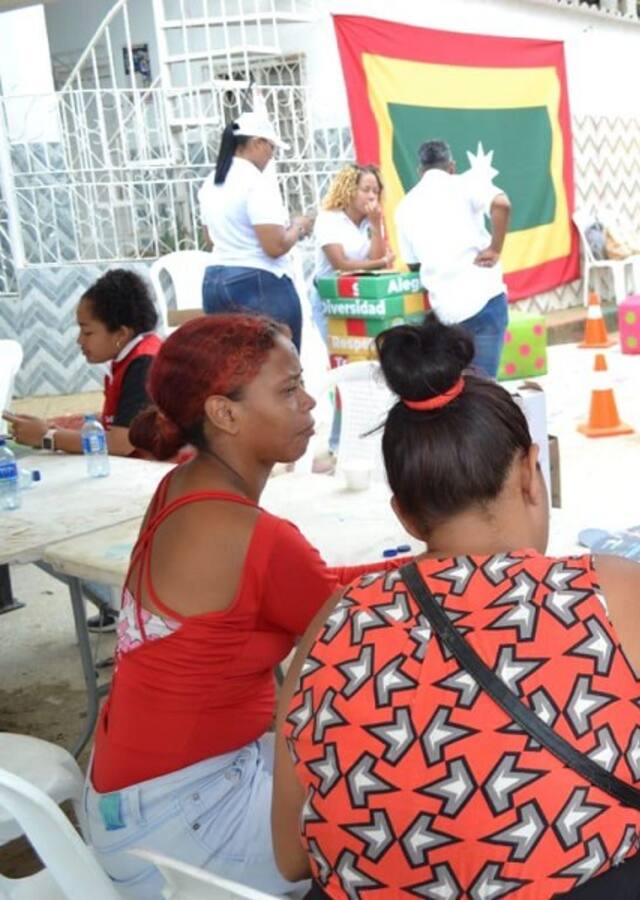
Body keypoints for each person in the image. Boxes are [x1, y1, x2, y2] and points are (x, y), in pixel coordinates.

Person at [270, 316, 640, 900]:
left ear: (404, 513)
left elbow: (293, 854)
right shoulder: (611, 594)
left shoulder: (335, 621)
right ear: (531, 472)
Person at [80, 314, 401, 898]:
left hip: (121, 805)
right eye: (287, 390)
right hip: (180, 829)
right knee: (407, 813)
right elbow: (358, 619)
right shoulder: (253, 534)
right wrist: (443, 562)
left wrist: (415, 565)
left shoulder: (181, 489)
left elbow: (324, 588)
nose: (308, 402)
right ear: (224, 414)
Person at [3, 268, 164, 632]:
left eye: (87, 331)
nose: (80, 340)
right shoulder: (129, 357)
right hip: (132, 475)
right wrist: (53, 431)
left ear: (120, 332)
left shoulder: (144, 361)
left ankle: (116, 605)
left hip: (150, 481)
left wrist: (48, 437)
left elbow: (122, 442)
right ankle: (112, 605)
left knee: (53, 520)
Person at [392, 139, 513, 378]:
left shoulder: (405, 207)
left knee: (457, 390)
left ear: (420, 171)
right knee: (484, 388)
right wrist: (495, 249)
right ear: (451, 166)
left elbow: (413, 263)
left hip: (446, 311)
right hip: (484, 299)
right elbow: (502, 203)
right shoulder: (466, 184)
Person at [199, 109, 313, 351]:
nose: (271, 156)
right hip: (258, 283)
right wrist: (298, 226)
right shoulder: (255, 182)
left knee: (231, 371)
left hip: (214, 282)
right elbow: (275, 246)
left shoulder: (211, 181)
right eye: (271, 147)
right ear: (257, 142)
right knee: (279, 368)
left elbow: (209, 238)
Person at [310, 164, 395, 342]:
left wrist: (375, 225)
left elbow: (377, 259)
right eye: (365, 190)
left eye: (376, 191)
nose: (372, 196)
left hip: (360, 297)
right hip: (330, 298)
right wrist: (380, 262)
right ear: (349, 190)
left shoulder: (372, 219)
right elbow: (341, 264)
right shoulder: (329, 218)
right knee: (341, 353)